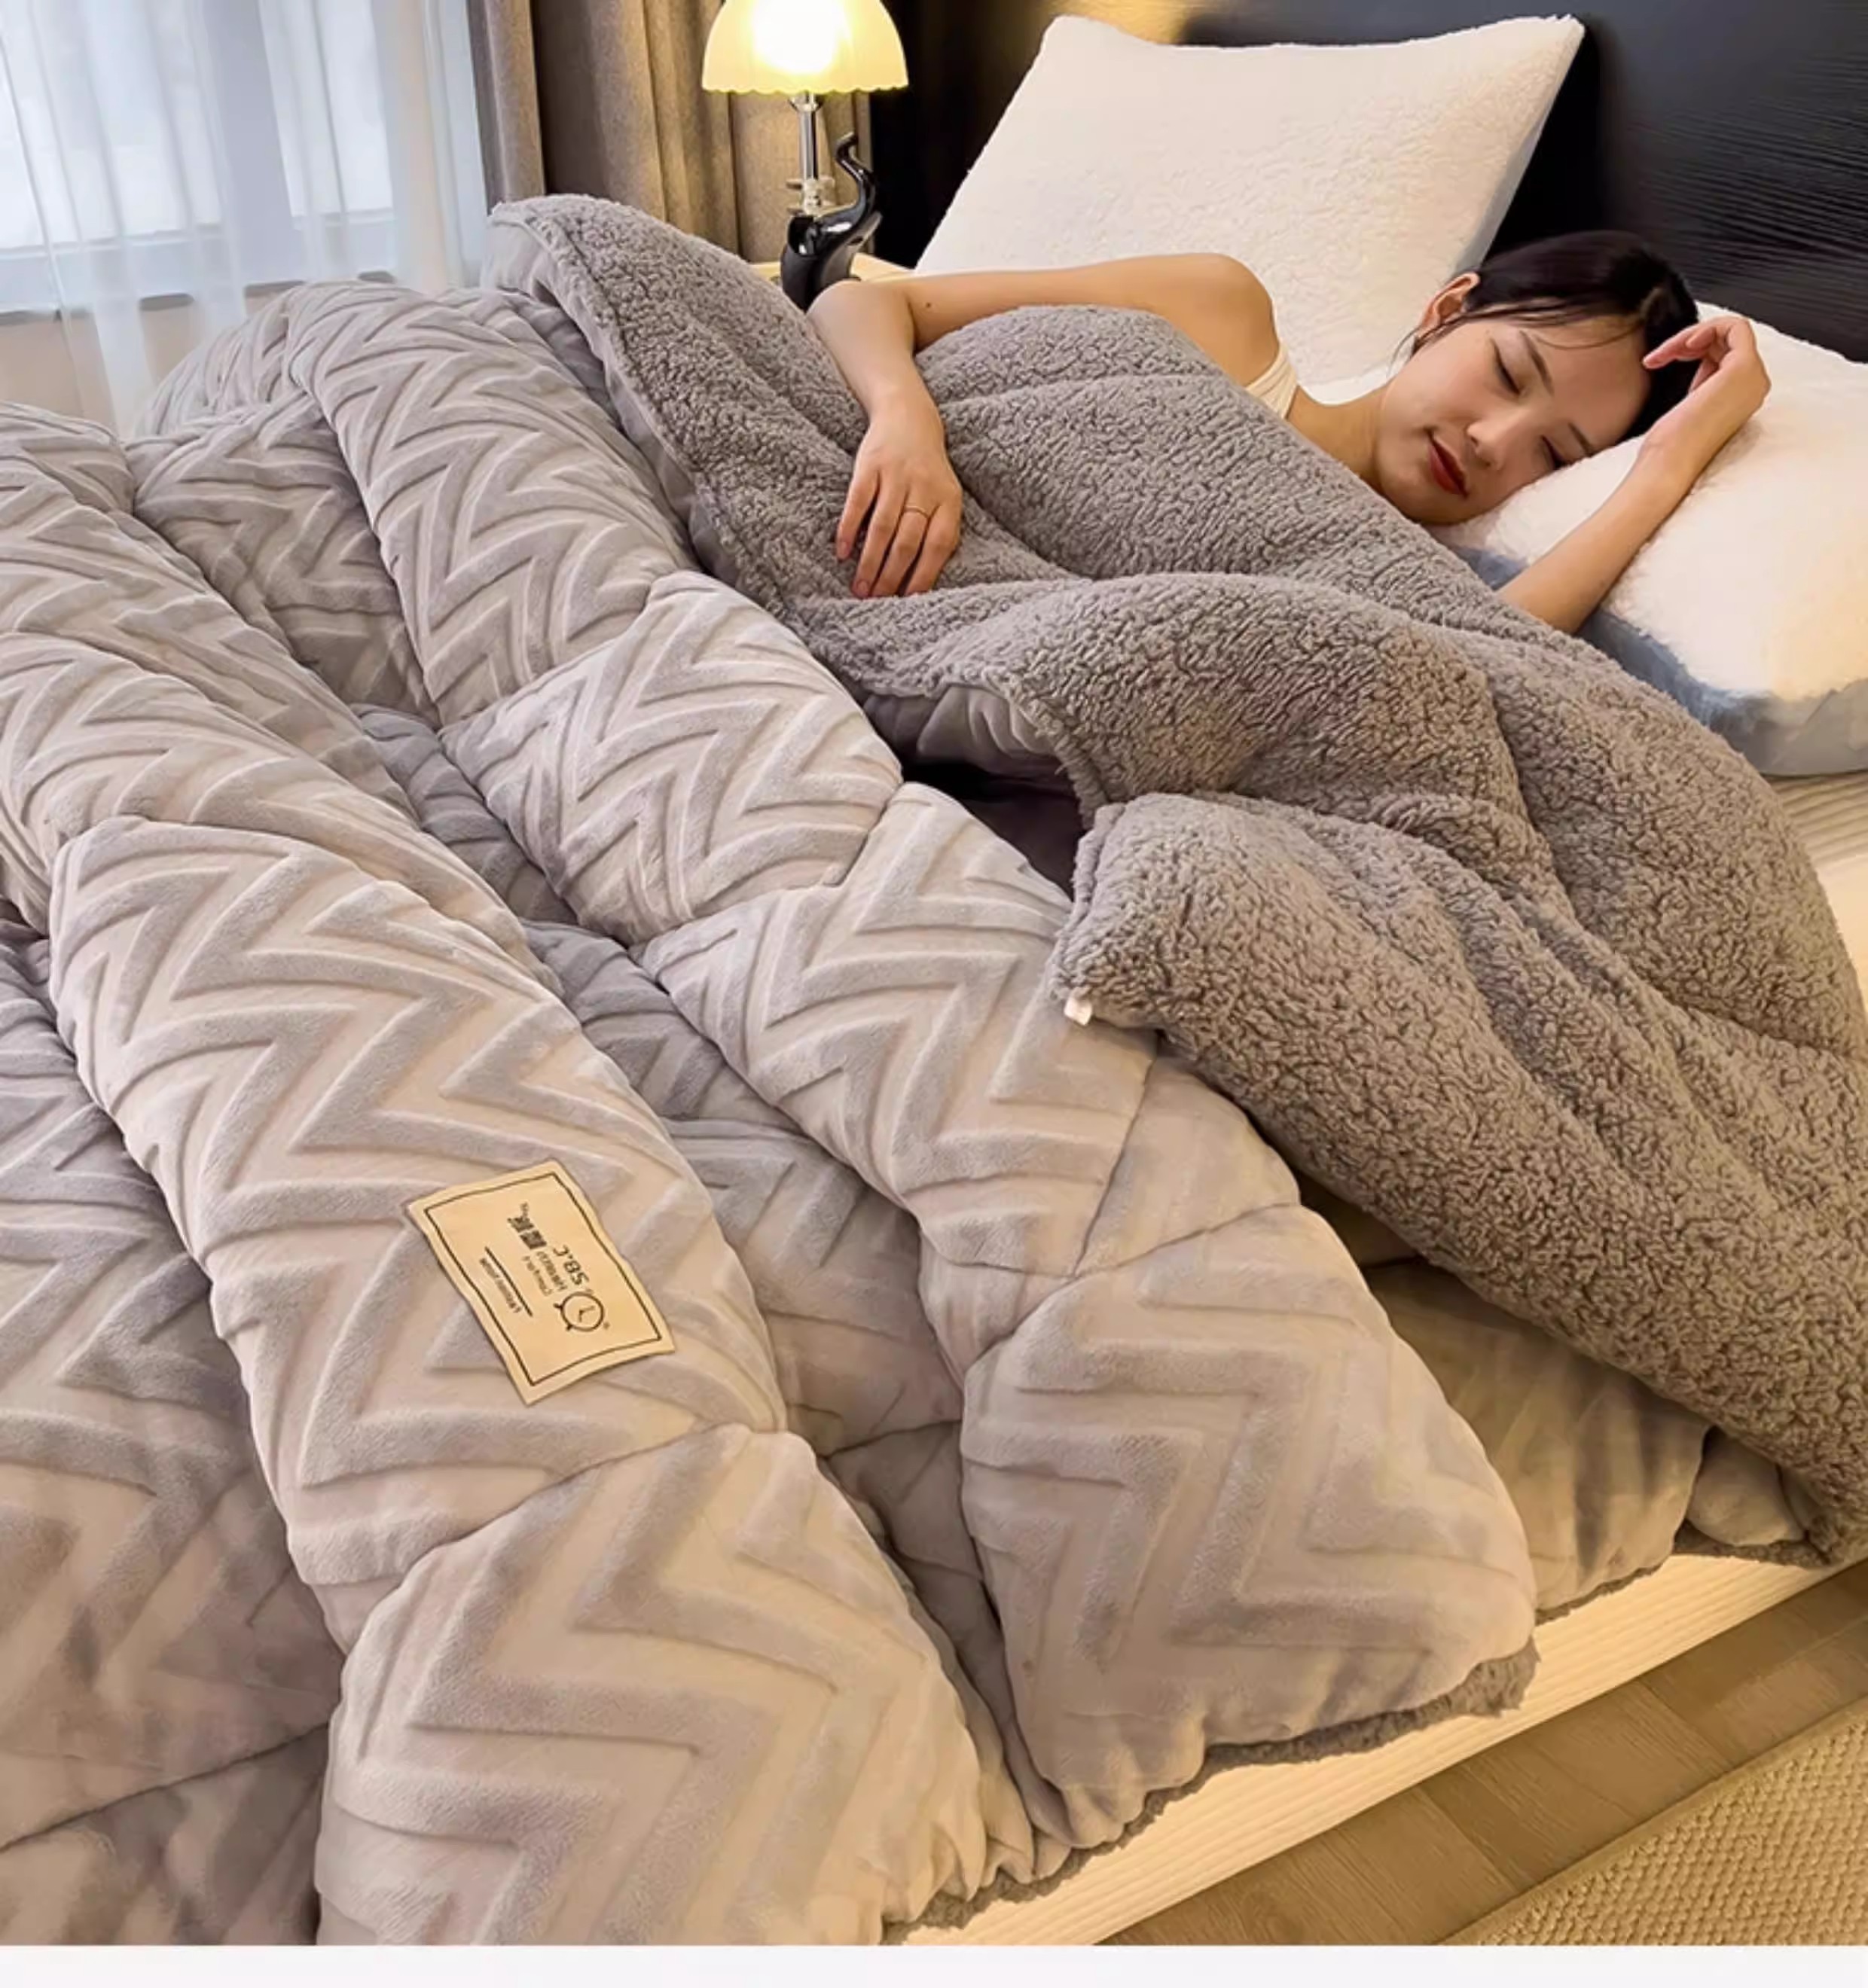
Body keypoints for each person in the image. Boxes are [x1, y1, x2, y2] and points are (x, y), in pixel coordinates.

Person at [807, 230, 1769, 633]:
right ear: (1446, 310)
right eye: (1508, 374)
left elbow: (1492, 652)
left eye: (1552, 455)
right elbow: (865, 305)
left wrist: (1670, 460)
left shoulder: (1397, 582)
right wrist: (904, 423)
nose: (1494, 442)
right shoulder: (1222, 314)